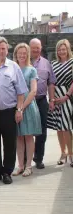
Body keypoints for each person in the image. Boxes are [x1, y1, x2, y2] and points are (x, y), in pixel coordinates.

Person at [0, 36, 28, 185]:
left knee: (10, 143)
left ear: (7, 50)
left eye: (4, 48)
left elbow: (21, 91)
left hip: (9, 111)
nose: (1, 51)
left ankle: (7, 171)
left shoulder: (13, 66)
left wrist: (19, 109)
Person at [12, 43, 41, 177]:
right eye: (20, 53)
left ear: (27, 54)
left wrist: (21, 108)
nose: (22, 55)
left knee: (28, 136)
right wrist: (17, 108)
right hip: (15, 106)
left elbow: (33, 91)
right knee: (18, 137)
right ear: (16, 54)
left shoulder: (31, 70)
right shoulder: (12, 68)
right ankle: (20, 165)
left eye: (24, 53)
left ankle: (29, 165)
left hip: (27, 106)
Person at [29, 38, 56, 169]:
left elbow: (51, 83)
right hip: (26, 101)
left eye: (37, 47)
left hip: (41, 99)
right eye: (33, 47)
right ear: (29, 48)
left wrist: (51, 99)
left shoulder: (46, 63)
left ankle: (38, 158)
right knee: (25, 131)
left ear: (41, 48)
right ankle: (25, 160)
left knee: (42, 131)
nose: (35, 50)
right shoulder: (22, 61)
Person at [47, 39, 73, 167]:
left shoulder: (72, 63)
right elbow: (51, 82)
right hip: (56, 97)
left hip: (68, 96)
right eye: (59, 49)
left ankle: (71, 154)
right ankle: (63, 153)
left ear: (68, 50)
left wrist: (67, 95)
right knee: (58, 126)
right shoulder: (53, 64)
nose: (61, 51)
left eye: (64, 49)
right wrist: (52, 99)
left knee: (66, 126)